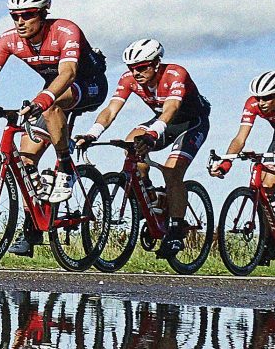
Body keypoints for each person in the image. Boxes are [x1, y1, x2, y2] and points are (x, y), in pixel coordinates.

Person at [0, 0, 106, 205]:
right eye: (15, 16)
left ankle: (65, 163)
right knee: (24, 164)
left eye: (28, 15)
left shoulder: (65, 31)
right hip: (53, 90)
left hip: (88, 84)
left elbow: (68, 73)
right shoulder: (9, 39)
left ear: (43, 13)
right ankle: (32, 228)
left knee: (50, 104)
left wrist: (41, 101)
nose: (20, 22)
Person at [84, 39, 209, 248]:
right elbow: (111, 110)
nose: (136, 73)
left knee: (172, 171)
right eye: (131, 68)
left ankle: (177, 229)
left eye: (141, 67)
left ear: (157, 63)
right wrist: (92, 133)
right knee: (130, 144)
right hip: (162, 122)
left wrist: (152, 134)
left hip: (191, 124)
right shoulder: (129, 79)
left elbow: (171, 108)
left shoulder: (176, 74)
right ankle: (151, 198)